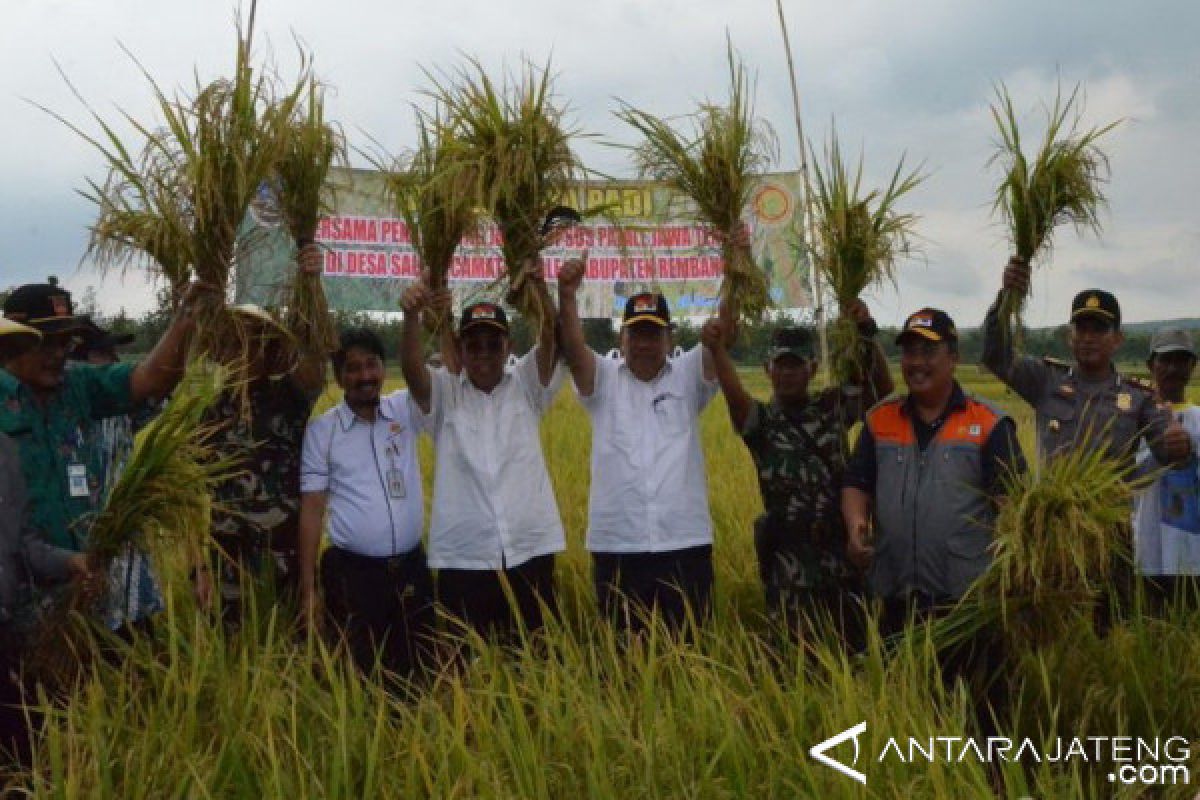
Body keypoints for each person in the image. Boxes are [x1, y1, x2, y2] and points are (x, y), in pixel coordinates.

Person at [0, 280, 212, 613]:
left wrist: (184, 320)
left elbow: (151, 380)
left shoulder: (79, 385)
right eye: (46, 344)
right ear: (14, 343)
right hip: (15, 599)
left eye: (65, 343)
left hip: (81, 588)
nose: (59, 354)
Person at [701, 301, 893, 646]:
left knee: (854, 656)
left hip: (842, 562)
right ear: (767, 369)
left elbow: (882, 393)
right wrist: (716, 350)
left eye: (796, 365)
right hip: (789, 571)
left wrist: (866, 333)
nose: (787, 373)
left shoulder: (831, 408)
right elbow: (733, 396)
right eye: (780, 365)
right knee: (793, 663)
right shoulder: (761, 423)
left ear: (813, 367)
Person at [557, 252, 719, 635]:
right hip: (618, 548)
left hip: (685, 545)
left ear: (669, 337)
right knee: (623, 665)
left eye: (653, 334)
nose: (644, 344)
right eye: (636, 333)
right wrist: (566, 295)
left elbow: (722, 330)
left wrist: (738, 262)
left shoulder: (689, 376)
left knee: (691, 663)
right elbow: (573, 348)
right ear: (622, 337)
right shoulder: (603, 379)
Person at [400, 275, 565, 645]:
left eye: (493, 344)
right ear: (459, 348)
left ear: (509, 347)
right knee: (467, 667)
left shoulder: (526, 386)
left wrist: (534, 279)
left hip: (528, 551)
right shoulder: (445, 393)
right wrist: (412, 318)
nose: (484, 353)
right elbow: (412, 370)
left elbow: (552, 336)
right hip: (464, 558)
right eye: (473, 345)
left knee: (536, 663)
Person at [842, 308, 1025, 635]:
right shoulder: (880, 420)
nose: (916, 362)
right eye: (910, 352)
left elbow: (1012, 505)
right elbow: (857, 482)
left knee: (966, 686)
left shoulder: (988, 423)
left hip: (967, 601)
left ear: (953, 358)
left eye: (928, 351)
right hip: (894, 596)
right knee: (898, 684)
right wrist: (856, 525)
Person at [196, 244, 328, 623]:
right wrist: (197, 570)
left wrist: (311, 285)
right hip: (226, 562)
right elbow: (189, 495)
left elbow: (315, 359)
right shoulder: (208, 408)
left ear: (269, 348)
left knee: (288, 657)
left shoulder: (289, 395)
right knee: (232, 661)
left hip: (285, 559)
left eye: (253, 339)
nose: (243, 348)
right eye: (233, 340)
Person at [298, 328, 434, 680]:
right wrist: (309, 588)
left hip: (410, 569)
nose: (364, 377)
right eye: (353, 369)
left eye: (371, 365)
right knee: (360, 675)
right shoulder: (322, 432)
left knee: (418, 670)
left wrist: (416, 317)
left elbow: (427, 372)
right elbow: (312, 510)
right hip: (353, 575)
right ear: (340, 377)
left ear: (383, 368)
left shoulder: (404, 410)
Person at [982, 258, 1190, 467]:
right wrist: (1007, 298)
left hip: (1110, 500)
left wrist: (1178, 445)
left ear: (1118, 339)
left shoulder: (1139, 397)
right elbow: (995, 356)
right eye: (1082, 329)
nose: (1088, 338)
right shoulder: (1045, 379)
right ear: (1070, 336)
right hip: (1051, 499)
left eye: (1099, 329)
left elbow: (1170, 456)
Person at [0, 319, 91, 767]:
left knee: (26, 751)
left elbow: (20, 541)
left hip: (6, 630)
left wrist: (72, 561)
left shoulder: (6, 453)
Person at [67, 320, 163, 634]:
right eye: (104, 355)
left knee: (132, 632)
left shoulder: (122, 408)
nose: (114, 363)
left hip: (123, 542)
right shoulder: (58, 414)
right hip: (75, 547)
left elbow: (159, 387)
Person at [1133, 327, 1200, 608]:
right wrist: (1161, 455)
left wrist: (1189, 451)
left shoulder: (1198, 419)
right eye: (1165, 360)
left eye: (1181, 360)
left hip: (1193, 555)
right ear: (1151, 365)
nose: (1173, 368)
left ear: (1193, 366)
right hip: (1145, 552)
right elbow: (1122, 480)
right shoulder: (1130, 420)